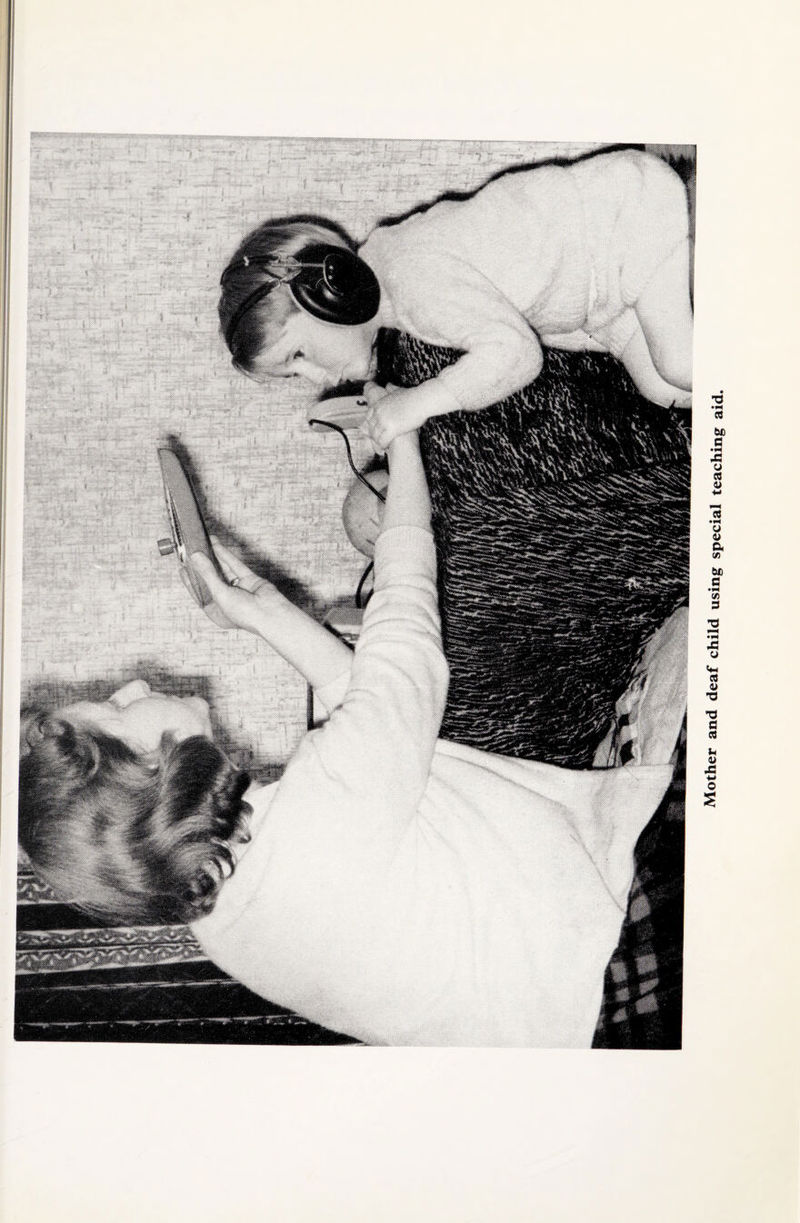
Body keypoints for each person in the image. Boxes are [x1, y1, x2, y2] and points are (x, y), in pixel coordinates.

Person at [18, 427, 686, 1047]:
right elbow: (406, 643)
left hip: (581, 1015)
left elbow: (363, 709)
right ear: (146, 773)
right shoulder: (321, 815)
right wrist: (407, 444)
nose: (131, 686)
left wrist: (263, 609)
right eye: (113, 705)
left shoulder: (223, 906)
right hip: (619, 949)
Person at [218, 148, 693, 451]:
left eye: (297, 355)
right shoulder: (396, 288)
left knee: (680, 364)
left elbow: (517, 354)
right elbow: (536, 311)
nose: (316, 379)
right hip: (604, 294)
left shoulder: (411, 278)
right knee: (664, 388)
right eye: (295, 375)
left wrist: (420, 403)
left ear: (330, 288)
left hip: (624, 220)